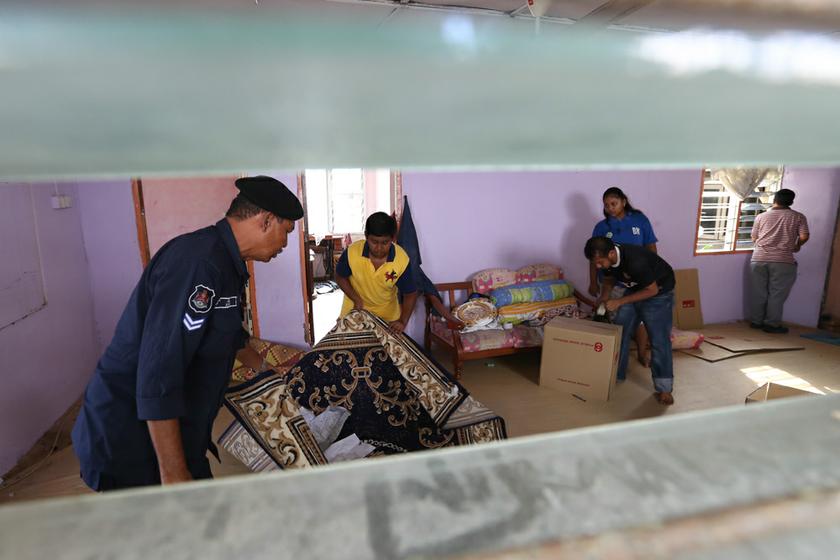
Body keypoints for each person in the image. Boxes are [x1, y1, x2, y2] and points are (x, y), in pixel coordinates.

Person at [71, 176, 303, 490]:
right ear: (266, 221)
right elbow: (158, 376)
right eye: (286, 232)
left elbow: (229, 334)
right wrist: (174, 477)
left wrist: (267, 373)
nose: (285, 244)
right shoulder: (199, 265)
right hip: (131, 437)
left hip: (180, 428)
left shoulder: (227, 263)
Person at [585, 236, 676, 405]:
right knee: (620, 332)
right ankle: (616, 375)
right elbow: (609, 278)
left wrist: (619, 301)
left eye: (599, 262)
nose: (597, 266)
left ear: (611, 254)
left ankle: (664, 388)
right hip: (635, 289)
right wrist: (604, 297)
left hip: (659, 294)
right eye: (594, 263)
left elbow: (652, 290)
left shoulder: (636, 260)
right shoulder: (608, 260)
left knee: (659, 340)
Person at [588, 187, 658, 366]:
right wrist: (593, 282)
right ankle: (611, 356)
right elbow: (593, 258)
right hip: (611, 281)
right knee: (610, 315)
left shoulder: (640, 220)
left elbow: (651, 247)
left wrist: (654, 271)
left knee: (640, 318)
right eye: (606, 205)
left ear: (623, 202)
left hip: (639, 279)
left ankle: (642, 353)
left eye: (614, 203)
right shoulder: (602, 227)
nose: (610, 208)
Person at [335, 212, 418, 333]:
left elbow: (410, 294)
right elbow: (339, 276)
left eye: (385, 243)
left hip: (387, 318)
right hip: (354, 311)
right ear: (366, 236)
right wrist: (356, 299)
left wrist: (403, 321)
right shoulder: (352, 252)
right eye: (374, 242)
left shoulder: (401, 259)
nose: (379, 248)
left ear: (393, 239)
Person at [749, 188, 809, 334]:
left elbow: (754, 237)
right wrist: (797, 246)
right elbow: (804, 236)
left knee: (759, 292)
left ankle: (756, 322)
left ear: (775, 199)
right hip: (783, 261)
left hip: (758, 258)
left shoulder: (761, 216)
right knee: (777, 294)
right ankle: (771, 324)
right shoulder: (798, 217)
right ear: (792, 201)